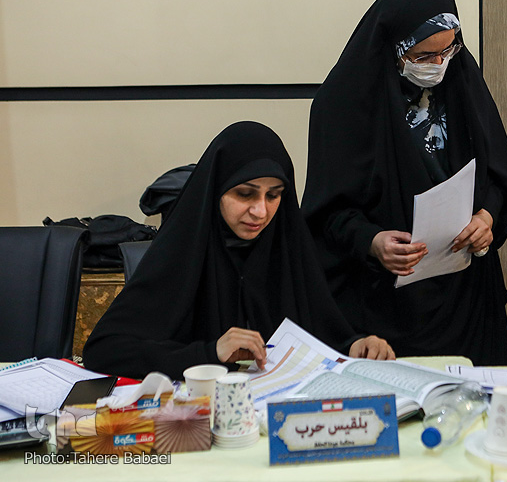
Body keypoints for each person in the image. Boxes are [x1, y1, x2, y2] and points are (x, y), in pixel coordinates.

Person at [301, 0, 507, 365]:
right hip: (384, 301)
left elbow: (499, 175)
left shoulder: (462, 80)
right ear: (393, 47)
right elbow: (326, 213)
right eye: (423, 56)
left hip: (466, 294)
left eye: (448, 50)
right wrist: (372, 241)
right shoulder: (342, 104)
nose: (438, 65)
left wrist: (487, 217)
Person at [83, 121, 393, 380]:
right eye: (245, 194)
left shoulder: (287, 250)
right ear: (217, 190)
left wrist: (355, 346)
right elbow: (104, 350)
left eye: (273, 196)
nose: (261, 211)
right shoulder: (183, 253)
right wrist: (209, 353)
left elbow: (322, 334)